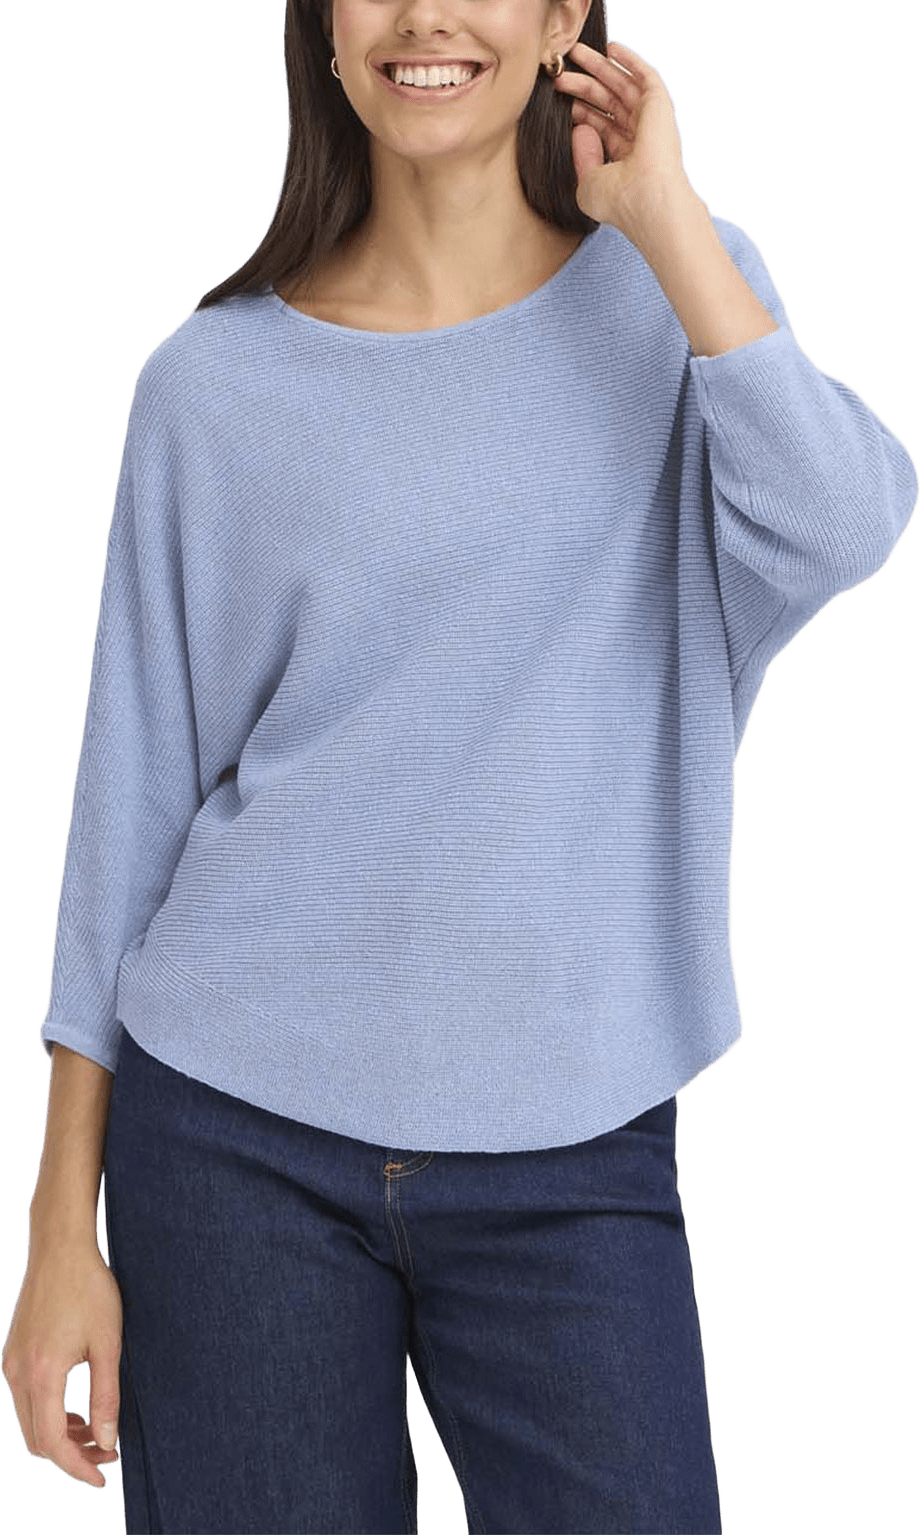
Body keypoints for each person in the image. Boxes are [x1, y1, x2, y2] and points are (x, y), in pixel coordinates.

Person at [3, 1, 917, 1531]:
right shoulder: (209, 383)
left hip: (575, 1146)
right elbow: (128, 803)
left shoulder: (678, 297)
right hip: (229, 1142)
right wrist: (56, 1227)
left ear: (565, 17)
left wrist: (667, 216)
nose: (425, 15)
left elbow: (841, 526)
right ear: (322, 27)